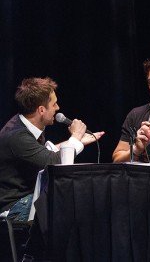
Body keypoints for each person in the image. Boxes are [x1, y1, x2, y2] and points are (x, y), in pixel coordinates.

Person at [0, 77, 105, 221]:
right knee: (68, 200)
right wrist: (75, 137)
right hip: (14, 207)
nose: (58, 108)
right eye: (54, 104)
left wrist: (72, 141)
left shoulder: (28, 126)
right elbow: (55, 162)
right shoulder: (17, 136)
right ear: (41, 110)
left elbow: (42, 153)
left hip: (28, 197)